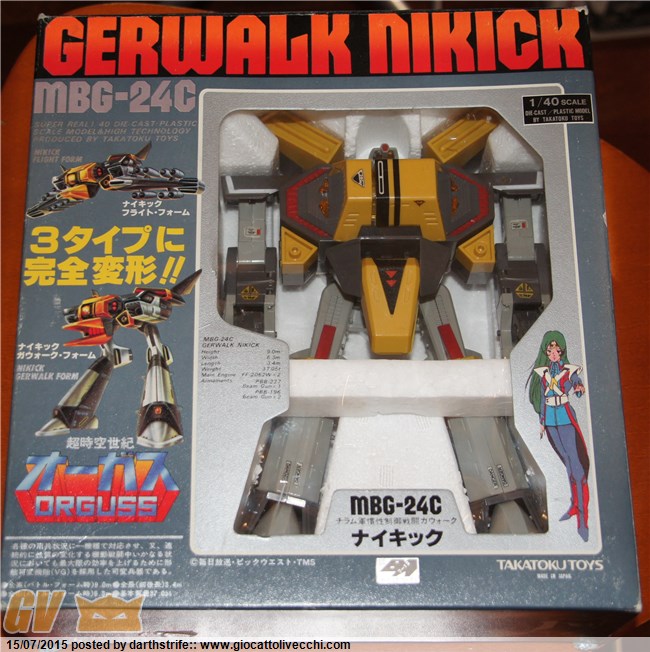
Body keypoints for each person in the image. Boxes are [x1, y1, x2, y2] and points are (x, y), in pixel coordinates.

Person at [528, 330, 590, 541]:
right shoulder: (544, 372)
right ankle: (574, 505)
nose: (553, 353)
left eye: (557, 349)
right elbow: (543, 398)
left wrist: (579, 387)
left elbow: (578, 387)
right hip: (551, 421)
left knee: (577, 467)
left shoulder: (568, 370)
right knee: (567, 463)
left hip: (565, 419)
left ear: (562, 350)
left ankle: (583, 518)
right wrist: (542, 421)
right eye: (550, 350)